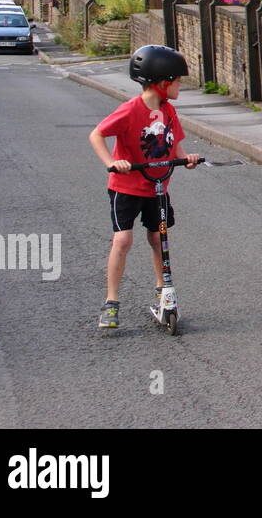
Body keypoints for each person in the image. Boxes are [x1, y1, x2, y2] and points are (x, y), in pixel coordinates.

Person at [89, 45, 200, 329]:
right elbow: (97, 134)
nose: (179, 87)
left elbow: (175, 144)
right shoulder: (129, 110)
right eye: (177, 82)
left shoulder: (169, 111)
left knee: (158, 239)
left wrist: (185, 158)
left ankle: (163, 292)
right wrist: (113, 162)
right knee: (123, 241)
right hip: (126, 187)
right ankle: (111, 302)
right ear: (163, 83)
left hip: (157, 187)